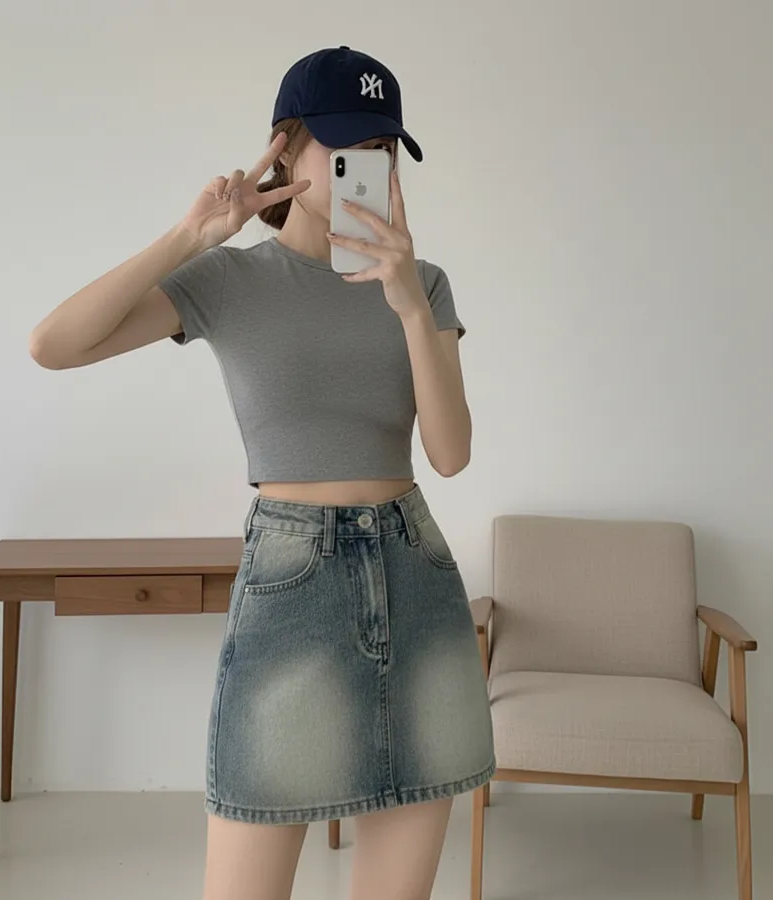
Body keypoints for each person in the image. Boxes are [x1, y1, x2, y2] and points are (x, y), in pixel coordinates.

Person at [29, 45, 495, 900]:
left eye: (383, 148)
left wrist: (403, 305)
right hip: (292, 582)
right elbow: (54, 346)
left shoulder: (423, 284)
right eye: (346, 145)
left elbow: (451, 453)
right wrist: (191, 235)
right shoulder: (231, 277)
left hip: (416, 575)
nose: (369, 165)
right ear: (286, 148)